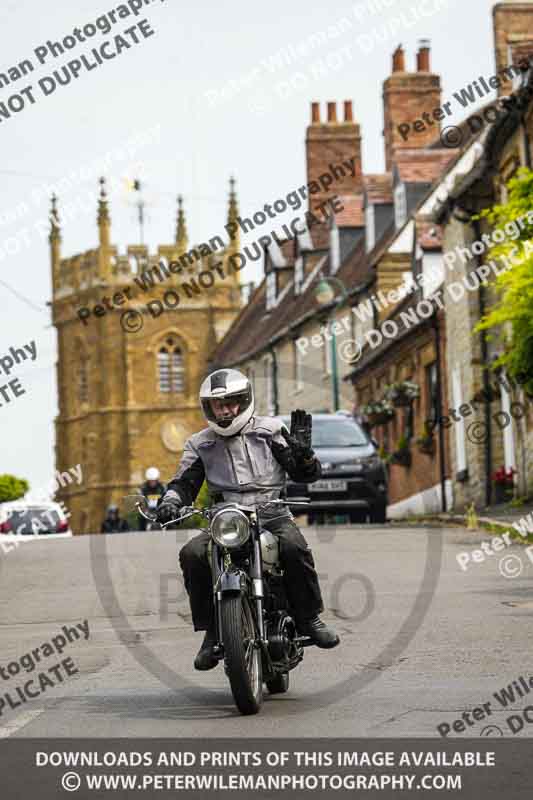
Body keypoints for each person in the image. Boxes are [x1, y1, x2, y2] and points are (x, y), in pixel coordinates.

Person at [157, 368, 339, 671]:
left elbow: (304, 474)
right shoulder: (199, 444)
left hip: (271, 513)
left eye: (230, 403)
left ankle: (309, 618)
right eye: (218, 405)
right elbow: (183, 483)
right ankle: (212, 632)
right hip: (226, 519)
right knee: (192, 554)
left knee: (294, 548)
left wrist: (305, 457)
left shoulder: (271, 431)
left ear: (244, 401)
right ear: (208, 408)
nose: (225, 411)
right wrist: (170, 503)